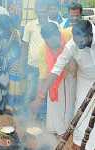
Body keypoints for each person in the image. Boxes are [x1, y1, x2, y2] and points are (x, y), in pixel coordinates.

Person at [36, 20, 95, 150]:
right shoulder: (72, 45)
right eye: (75, 40)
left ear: (90, 36)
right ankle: (79, 143)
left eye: (80, 42)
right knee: (80, 111)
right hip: (85, 79)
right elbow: (57, 69)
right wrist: (41, 93)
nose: (77, 44)